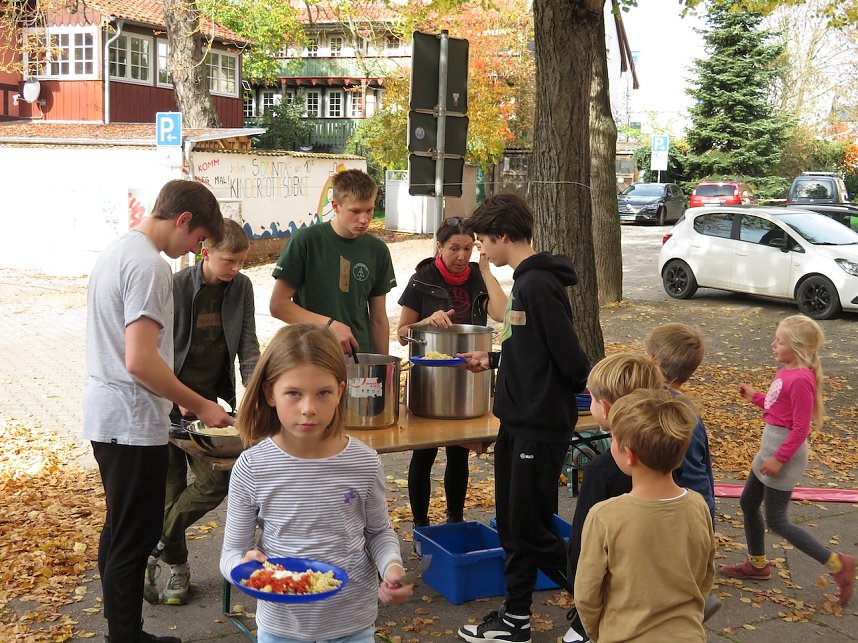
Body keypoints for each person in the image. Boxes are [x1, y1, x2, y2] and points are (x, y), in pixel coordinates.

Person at [83, 179, 233, 643]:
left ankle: (122, 632)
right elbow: (140, 359)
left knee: (120, 530)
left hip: (111, 418)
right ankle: (125, 638)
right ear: (183, 220)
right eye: (199, 239)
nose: (196, 248)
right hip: (129, 421)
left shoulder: (119, 250)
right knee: (134, 538)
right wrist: (200, 405)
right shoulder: (148, 265)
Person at [220, 324, 413, 642]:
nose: (308, 408)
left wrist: (392, 568)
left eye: (322, 393)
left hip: (352, 624)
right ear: (270, 393)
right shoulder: (252, 468)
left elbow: (378, 532)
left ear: (340, 391)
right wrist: (242, 566)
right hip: (282, 627)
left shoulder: (364, 462)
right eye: (293, 393)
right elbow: (231, 553)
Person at [456, 193, 590, 643]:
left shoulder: (537, 285)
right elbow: (528, 349)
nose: (482, 251)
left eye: (484, 241)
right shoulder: (523, 285)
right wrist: (495, 362)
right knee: (513, 526)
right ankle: (516, 619)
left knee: (532, 530)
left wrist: (547, 392)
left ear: (504, 236)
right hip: (516, 422)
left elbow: (570, 360)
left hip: (540, 425)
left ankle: (604, 603)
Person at [144, 219, 260, 606]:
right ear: (204, 252)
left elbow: (248, 343)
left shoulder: (241, 287)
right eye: (229, 261)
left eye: (241, 262)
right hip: (168, 404)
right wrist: (175, 395)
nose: (235, 270)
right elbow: (155, 347)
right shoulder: (174, 286)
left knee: (215, 483)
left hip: (214, 410)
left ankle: (152, 546)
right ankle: (178, 570)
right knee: (170, 492)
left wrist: (258, 393)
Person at [720, 315, 855, 606]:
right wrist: (755, 397)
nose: (773, 344)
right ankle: (757, 564)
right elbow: (776, 407)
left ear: (797, 348)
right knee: (747, 503)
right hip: (770, 447)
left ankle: (837, 564)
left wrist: (780, 460)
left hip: (783, 453)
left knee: (777, 520)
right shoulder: (786, 371)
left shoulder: (801, 379)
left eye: (779, 341)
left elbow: (800, 427)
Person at [574, 389, 716, 643]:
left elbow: (586, 594)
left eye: (613, 438)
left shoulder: (605, 516)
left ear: (629, 455)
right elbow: (705, 575)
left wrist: (600, 634)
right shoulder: (698, 506)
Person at [397, 217, 507, 527]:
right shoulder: (423, 278)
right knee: (424, 453)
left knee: (459, 454)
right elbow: (402, 333)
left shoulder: (477, 276)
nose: (462, 257)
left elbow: (501, 314)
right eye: (454, 248)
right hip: (429, 381)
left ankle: (454, 521)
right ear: (439, 247)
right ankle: (420, 525)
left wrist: (485, 270)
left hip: (468, 379)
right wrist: (425, 323)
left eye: (468, 248)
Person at [563, 352, 664, 643]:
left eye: (592, 398)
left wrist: (581, 598)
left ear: (604, 408)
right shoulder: (665, 457)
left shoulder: (601, 472)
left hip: (610, 603)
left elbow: (582, 547)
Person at [269, 169, 396, 356]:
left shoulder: (378, 250)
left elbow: (378, 318)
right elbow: (278, 305)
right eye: (355, 211)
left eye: (369, 210)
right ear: (335, 206)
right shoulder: (306, 241)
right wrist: (328, 325)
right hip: (313, 354)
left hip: (359, 358)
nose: (364, 219)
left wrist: (383, 368)